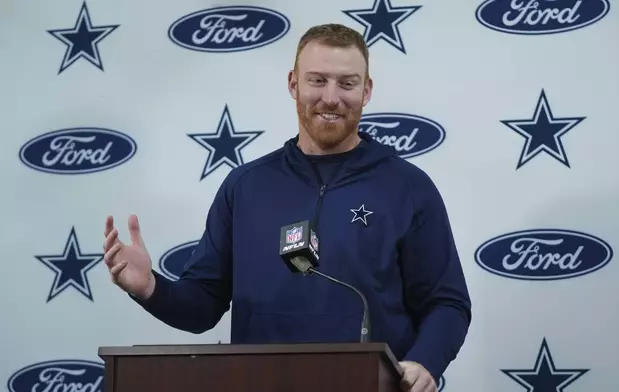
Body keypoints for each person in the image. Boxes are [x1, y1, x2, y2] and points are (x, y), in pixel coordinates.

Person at [103, 23, 471, 392]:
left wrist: (425, 361)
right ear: (294, 84)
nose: (331, 98)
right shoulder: (245, 186)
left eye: (346, 83)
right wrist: (150, 287)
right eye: (317, 81)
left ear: (366, 90)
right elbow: (202, 305)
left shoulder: (408, 187)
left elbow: (447, 302)